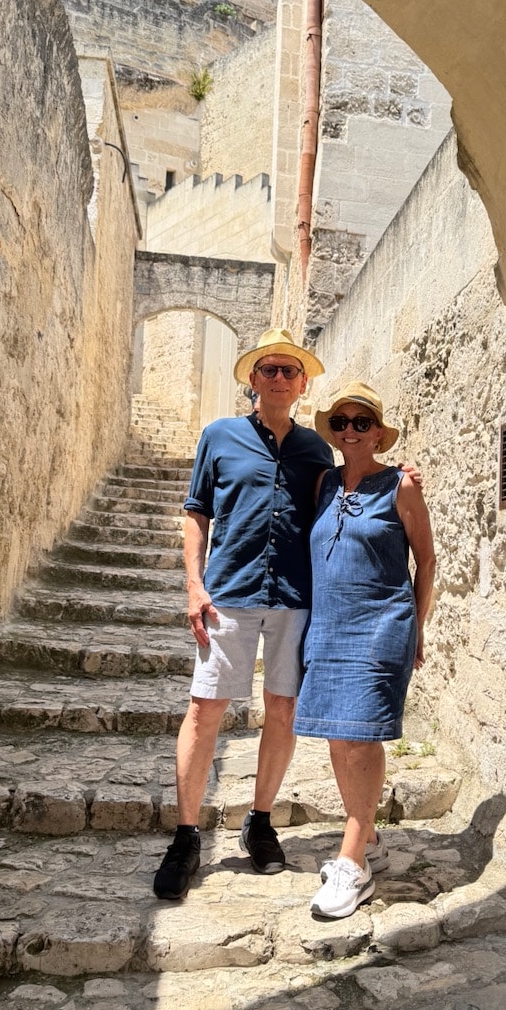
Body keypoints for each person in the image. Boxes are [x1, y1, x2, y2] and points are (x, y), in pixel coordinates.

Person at [153, 328, 331, 899]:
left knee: (283, 708)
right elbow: (196, 512)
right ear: (252, 379)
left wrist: (396, 481)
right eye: (268, 369)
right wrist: (193, 584)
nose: (278, 378)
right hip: (228, 592)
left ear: (302, 384)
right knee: (205, 709)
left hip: (295, 596)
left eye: (288, 371)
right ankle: (185, 837)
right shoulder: (219, 436)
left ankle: (260, 821)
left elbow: (337, 507)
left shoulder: (316, 450)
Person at [294, 382, 436, 920]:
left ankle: (353, 863)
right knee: (338, 734)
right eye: (340, 423)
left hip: (380, 627)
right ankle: (368, 833)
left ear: (378, 432)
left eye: (361, 422)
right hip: (328, 627)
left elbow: (426, 559)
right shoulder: (324, 483)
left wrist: (417, 626)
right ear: (332, 433)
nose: (350, 431)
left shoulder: (402, 485)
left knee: (360, 735)